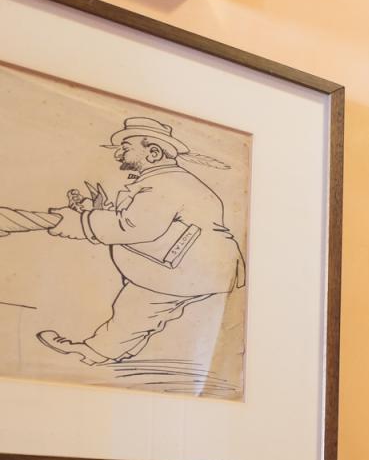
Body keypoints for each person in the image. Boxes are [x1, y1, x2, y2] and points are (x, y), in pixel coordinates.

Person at [33, 116, 246, 367]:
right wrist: (92, 210)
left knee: (135, 309)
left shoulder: (164, 184)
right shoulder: (162, 181)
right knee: (138, 312)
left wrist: (79, 222)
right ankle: (102, 351)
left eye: (126, 148)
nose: (119, 154)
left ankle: (91, 354)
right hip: (185, 268)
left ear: (153, 153)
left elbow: (134, 227)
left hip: (182, 270)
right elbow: (139, 218)